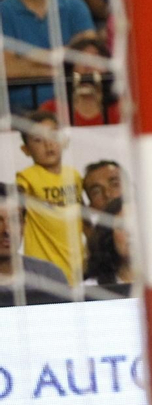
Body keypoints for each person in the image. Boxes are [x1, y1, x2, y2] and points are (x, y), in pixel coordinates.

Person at [1, 0, 93, 111]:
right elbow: (6, 69)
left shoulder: (75, 5)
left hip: (76, 106)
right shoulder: (2, 13)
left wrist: (25, 60)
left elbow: (90, 60)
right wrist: (64, 61)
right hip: (22, 111)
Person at [14, 111, 83, 282]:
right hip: (44, 272)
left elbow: (83, 217)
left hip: (78, 268)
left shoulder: (73, 176)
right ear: (26, 149)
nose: (48, 144)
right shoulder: (26, 178)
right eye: (38, 140)